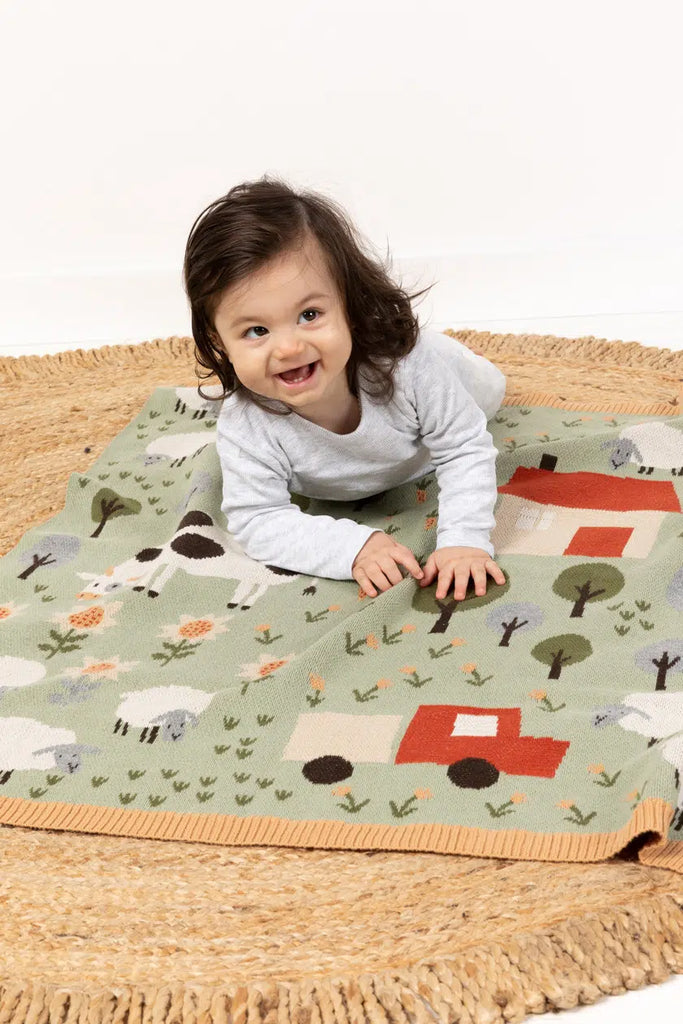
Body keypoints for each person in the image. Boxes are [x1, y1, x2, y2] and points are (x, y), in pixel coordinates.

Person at [182, 175, 507, 603]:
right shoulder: (246, 423)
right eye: (256, 330)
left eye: (310, 314)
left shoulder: (408, 366)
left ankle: (463, 357)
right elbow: (257, 519)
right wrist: (352, 547)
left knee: (487, 382)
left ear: (349, 304)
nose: (289, 348)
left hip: (455, 383)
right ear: (220, 341)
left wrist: (463, 540)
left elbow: (464, 447)